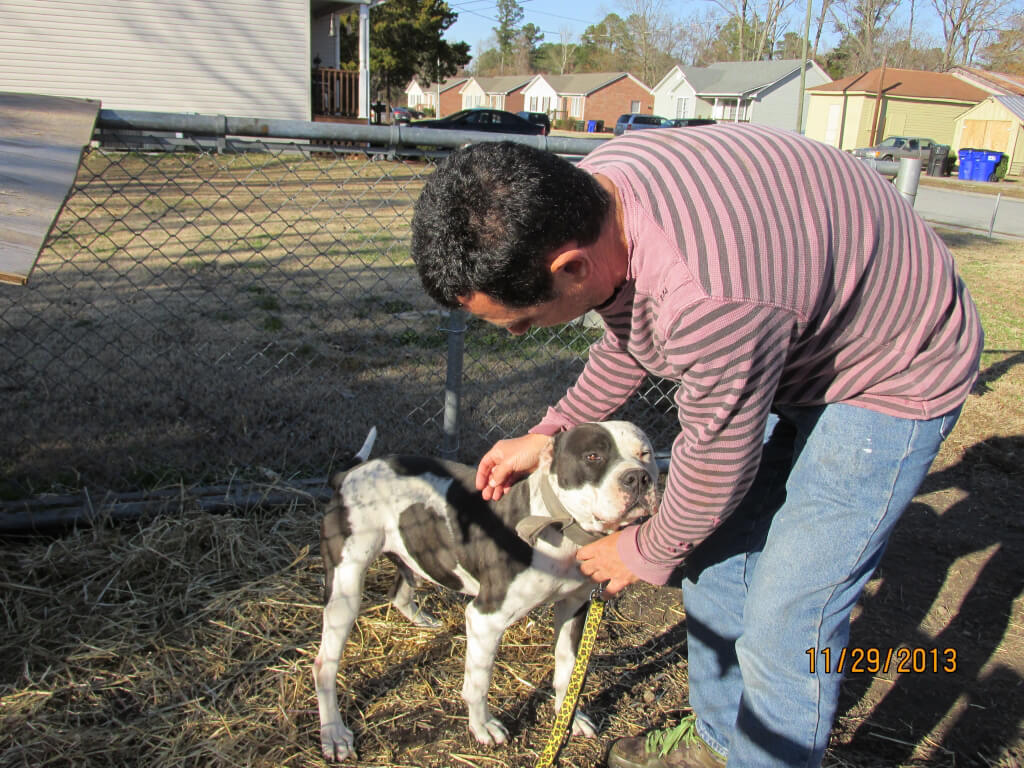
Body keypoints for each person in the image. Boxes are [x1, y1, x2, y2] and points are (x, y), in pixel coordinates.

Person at [409, 124, 982, 768]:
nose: (517, 335)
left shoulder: (710, 299)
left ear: (569, 265)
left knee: (789, 618)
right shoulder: (598, 192)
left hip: (894, 364)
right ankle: (718, 742)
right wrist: (549, 431)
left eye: (521, 321)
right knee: (711, 559)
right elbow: (633, 330)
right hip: (789, 327)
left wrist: (642, 550)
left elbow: (715, 465)